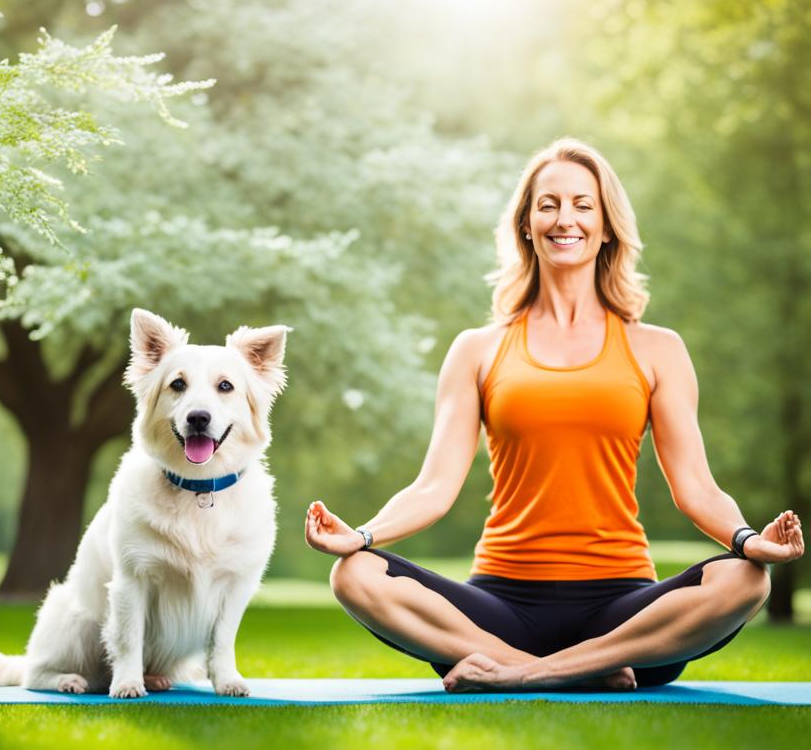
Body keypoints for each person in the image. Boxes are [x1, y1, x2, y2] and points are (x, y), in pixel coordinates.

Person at [304, 138, 804, 691]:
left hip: (624, 609)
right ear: (525, 224)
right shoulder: (477, 349)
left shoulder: (658, 349)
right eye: (548, 204)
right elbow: (433, 488)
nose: (565, 218)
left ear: (607, 225)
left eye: (583, 205)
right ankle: (564, 671)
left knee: (747, 581)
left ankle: (525, 675)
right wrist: (363, 537)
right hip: (500, 605)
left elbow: (697, 488)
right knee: (353, 574)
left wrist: (744, 539)